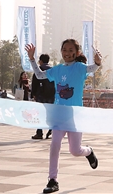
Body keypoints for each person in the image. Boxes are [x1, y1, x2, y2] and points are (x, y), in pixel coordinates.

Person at [25, 39, 101, 193]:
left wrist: (98, 63)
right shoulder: (57, 69)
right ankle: (52, 180)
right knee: (55, 145)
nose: (67, 53)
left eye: (71, 50)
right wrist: (32, 59)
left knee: (75, 150)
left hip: (75, 116)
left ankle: (89, 151)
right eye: (65, 50)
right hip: (59, 115)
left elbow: (92, 68)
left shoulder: (80, 68)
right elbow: (39, 75)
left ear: (77, 52)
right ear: (61, 51)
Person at [31, 54, 55, 140]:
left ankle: (39, 132)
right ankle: (51, 130)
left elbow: (34, 83)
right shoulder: (53, 70)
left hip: (41, 95)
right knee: (51, 113)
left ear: (40, 61)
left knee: (40, 113)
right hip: (52, 95)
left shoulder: (39, 70)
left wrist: (33, 94)